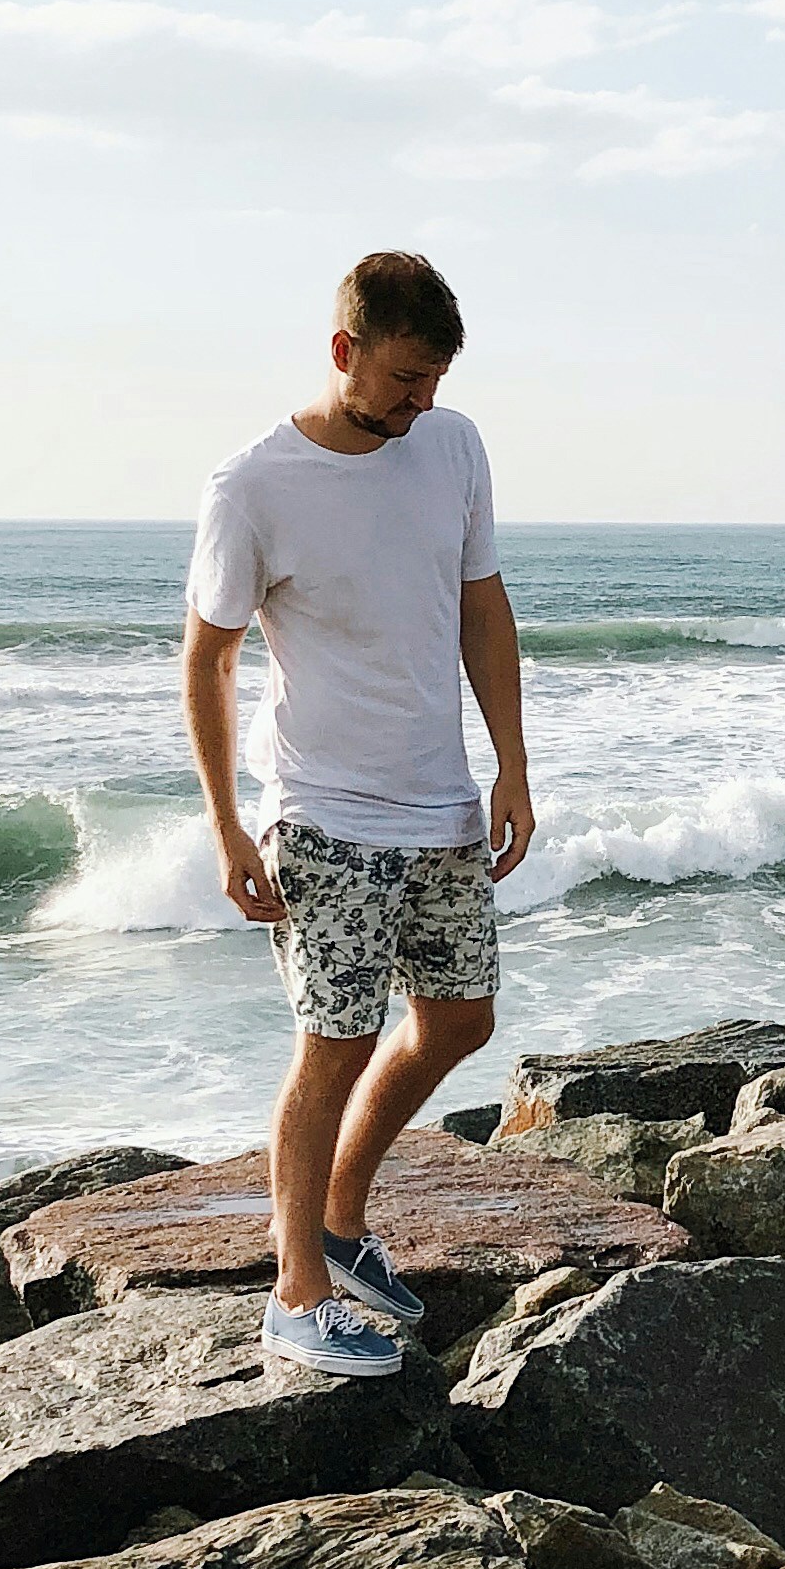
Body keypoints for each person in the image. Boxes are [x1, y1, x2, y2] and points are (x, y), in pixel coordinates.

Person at [181, 249, 534, 1372]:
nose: (417, 403)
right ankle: (293, 1294)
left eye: (433, 380)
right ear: (344, 352)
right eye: (399, 380)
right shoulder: (252, 488)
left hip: (438, 800)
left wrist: (512, 767)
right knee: (333, 1039)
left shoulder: (454, 445)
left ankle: (337, 1226)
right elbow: (208, 662)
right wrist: (230, 826)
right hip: (324, 811)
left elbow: (482, 607)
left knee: (459, 1020)